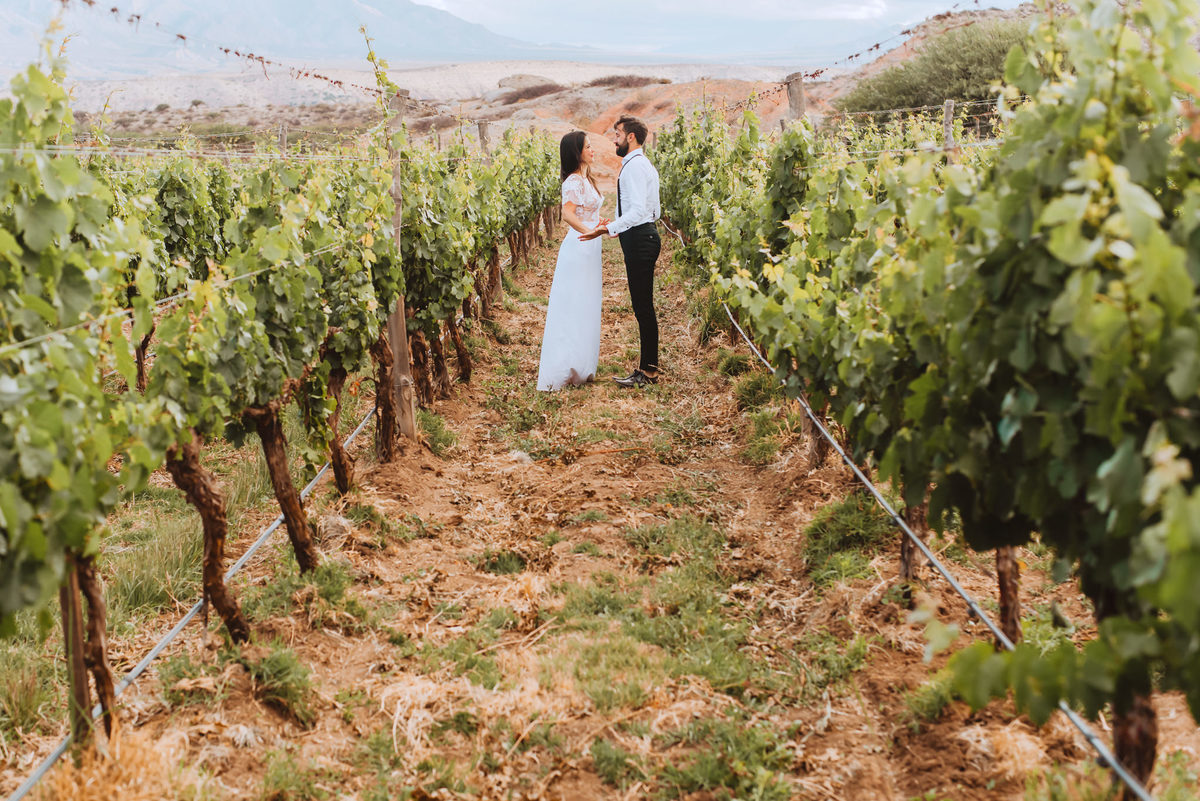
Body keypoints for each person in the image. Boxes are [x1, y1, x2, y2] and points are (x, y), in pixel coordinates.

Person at [580, 115, 661, 388]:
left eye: (617, 134)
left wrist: (607, 229)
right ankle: (647, 368)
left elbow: (638, 211)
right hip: (641, 236)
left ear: (631, 137)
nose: (614, 139)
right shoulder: (640, 164)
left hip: (640, 239)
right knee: (642, 306)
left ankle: (648, 372)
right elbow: (653, 210)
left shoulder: (635, 167)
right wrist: (615, 225)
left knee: (643, 307)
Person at [536, 131, 608, 391]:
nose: (592, 150)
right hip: (579, 247)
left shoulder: (587, 179)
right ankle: (565, 366)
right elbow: (567, 214)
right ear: (576, 152)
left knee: (586, 303)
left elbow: (587, 213)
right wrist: (589, 231)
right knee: (573, 303)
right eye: (588, 147)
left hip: (590, 246)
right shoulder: (574, 181)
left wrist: (600, 225)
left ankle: (581, 364)